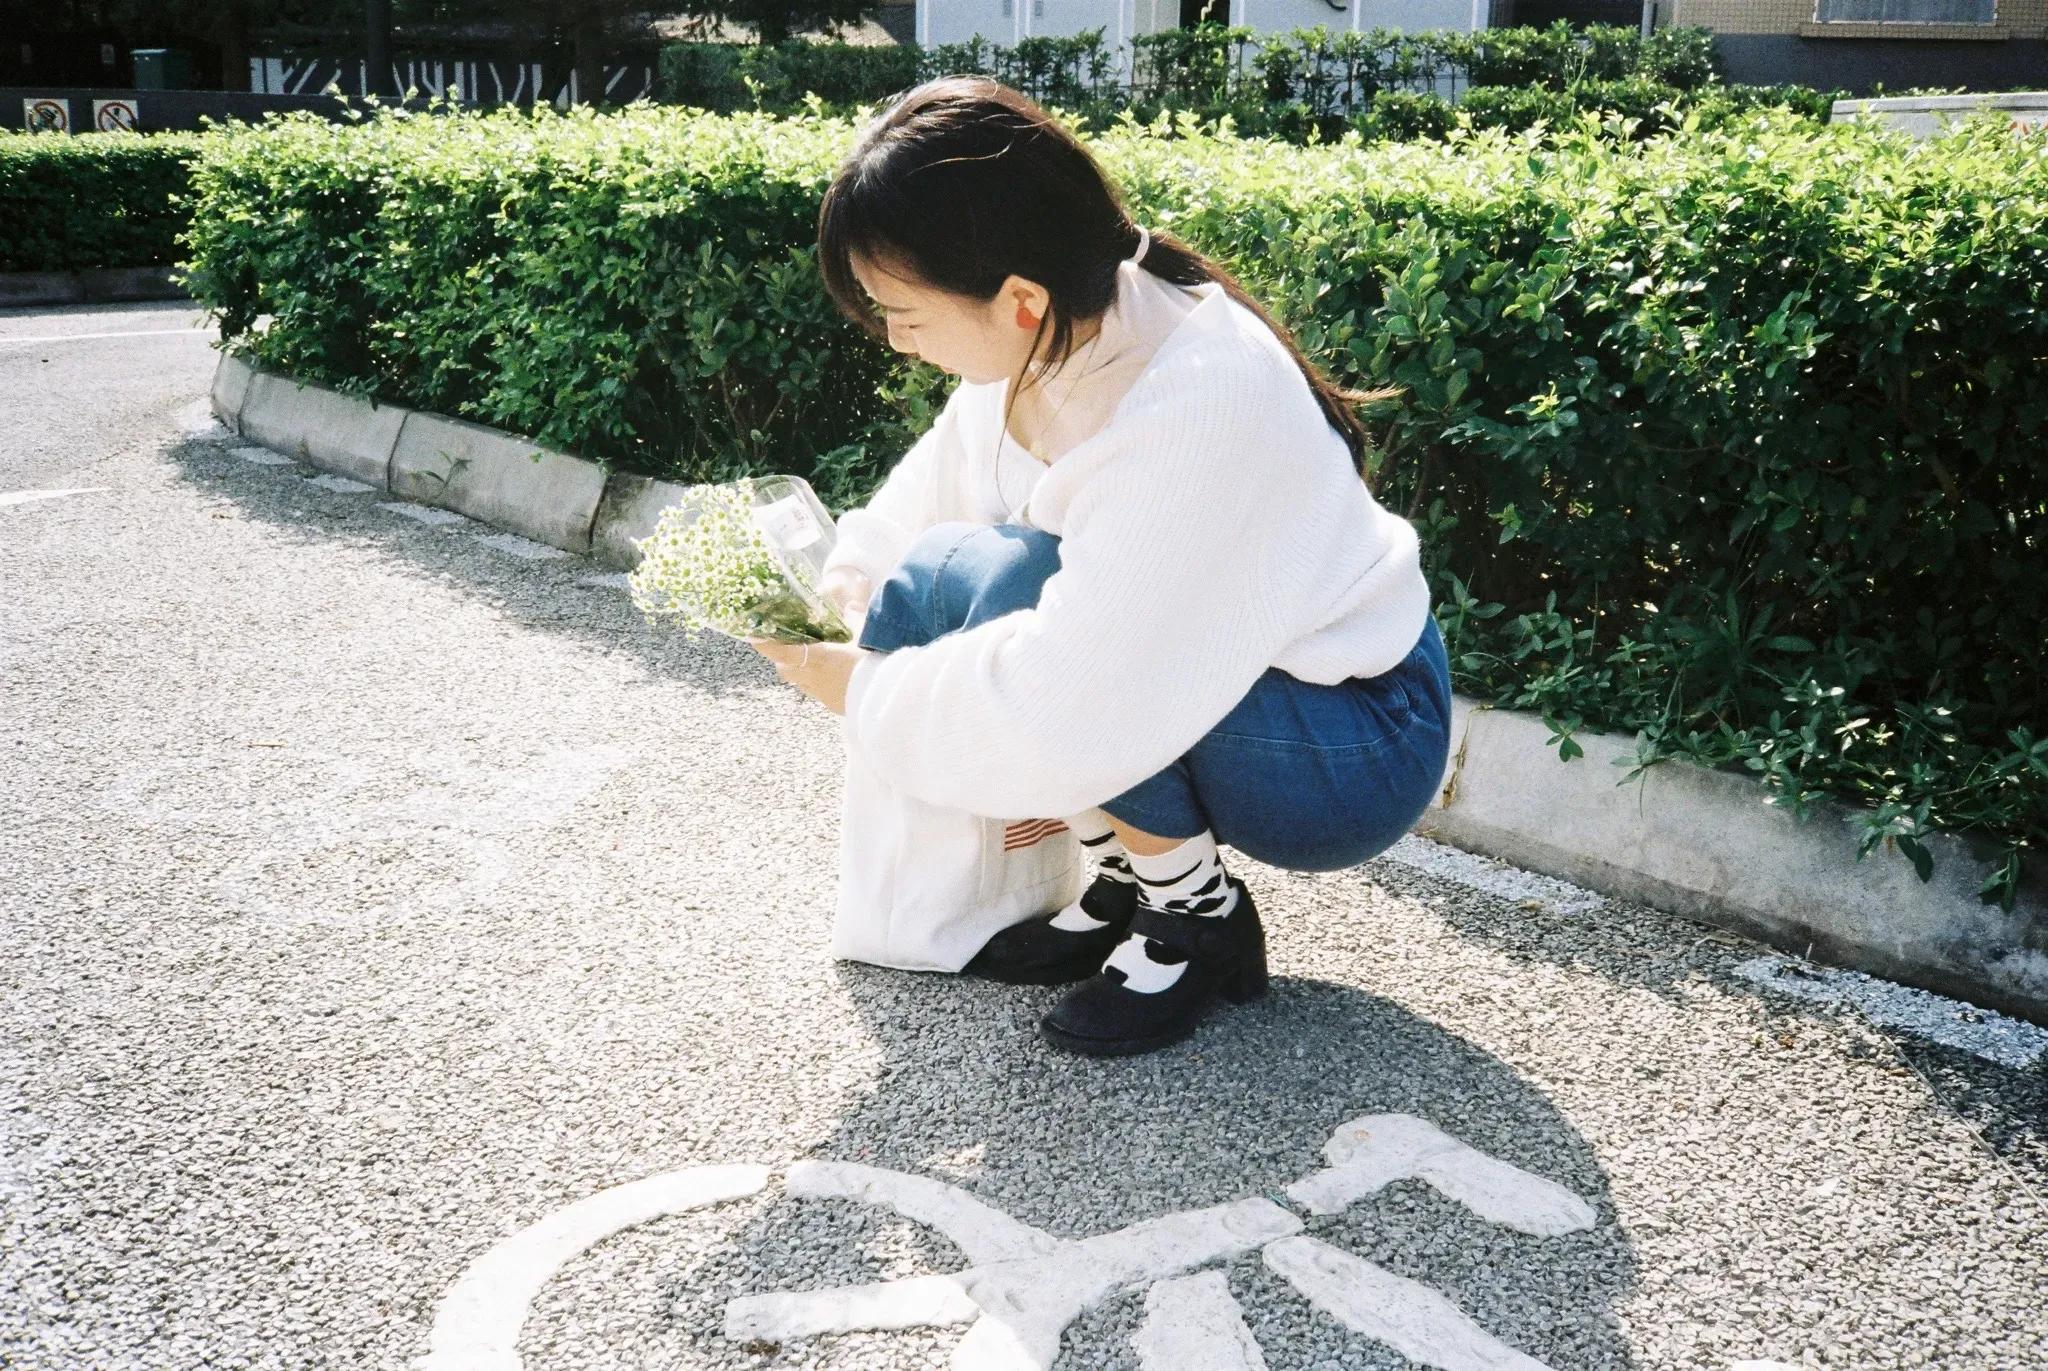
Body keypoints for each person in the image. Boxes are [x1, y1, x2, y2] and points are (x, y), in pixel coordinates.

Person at [746, 75, 1451, 1059]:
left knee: (1028, 599)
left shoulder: (1195, 400)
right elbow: (932, 490)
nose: (894, 339)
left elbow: (1074, 688)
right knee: (954, 569)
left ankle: (1194, 915)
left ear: (1018, 300)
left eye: (901, 312)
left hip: (1356, 740)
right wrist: (852, 574)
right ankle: (1129, 872)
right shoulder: (1071, 321)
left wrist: (864, 691)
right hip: (1267, 684)